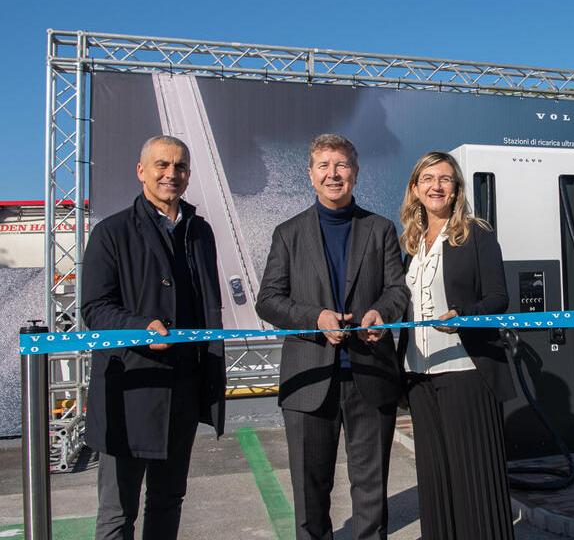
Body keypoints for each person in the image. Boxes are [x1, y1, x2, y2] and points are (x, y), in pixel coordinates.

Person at [255, 133, 408, 540]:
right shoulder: (288, 233)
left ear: (355, 173)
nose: (333, 174)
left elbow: (398, 290)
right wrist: (314, 317)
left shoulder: (380, 229)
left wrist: (381, 312)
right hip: (308, 380)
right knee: (310, 493)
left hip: (370, 376)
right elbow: (268, 300)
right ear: (310, 175)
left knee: (371, 491)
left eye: (341, 165)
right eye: (324, 165)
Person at [82, 135, 226, 540]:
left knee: (168, 501)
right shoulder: (111, 233)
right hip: (129, 394)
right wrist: (139, 327)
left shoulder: (201, 232)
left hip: (182, 393)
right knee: (116, 513)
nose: (171, 174)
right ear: (141, 171)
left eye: (180, 166)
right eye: (162, 165)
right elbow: (95, 308)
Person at [398, 151, 516, 540]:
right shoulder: (411, 245)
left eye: (445, 179)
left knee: (473, 477)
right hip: (419, 374)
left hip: (466, 370)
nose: (436, 186)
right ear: (415, 188)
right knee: (435, 478)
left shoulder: (475, 234)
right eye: (428, 179)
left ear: (456, 188)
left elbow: (499, 297)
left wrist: (462, 313)